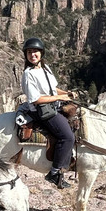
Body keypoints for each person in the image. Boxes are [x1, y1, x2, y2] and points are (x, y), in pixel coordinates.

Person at [20, 37, 74, 188]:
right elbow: (35, 99)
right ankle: (54, 172)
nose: (32, 55)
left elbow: (53, 89)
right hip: (41, 111)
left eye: (35, 51)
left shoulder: (46, 68)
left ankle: (69, 159)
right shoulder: (28, 73)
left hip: (53, 106)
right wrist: (60, 97)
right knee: (67, 136)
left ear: (41, 53)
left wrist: (67, 94)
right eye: (29, 52)